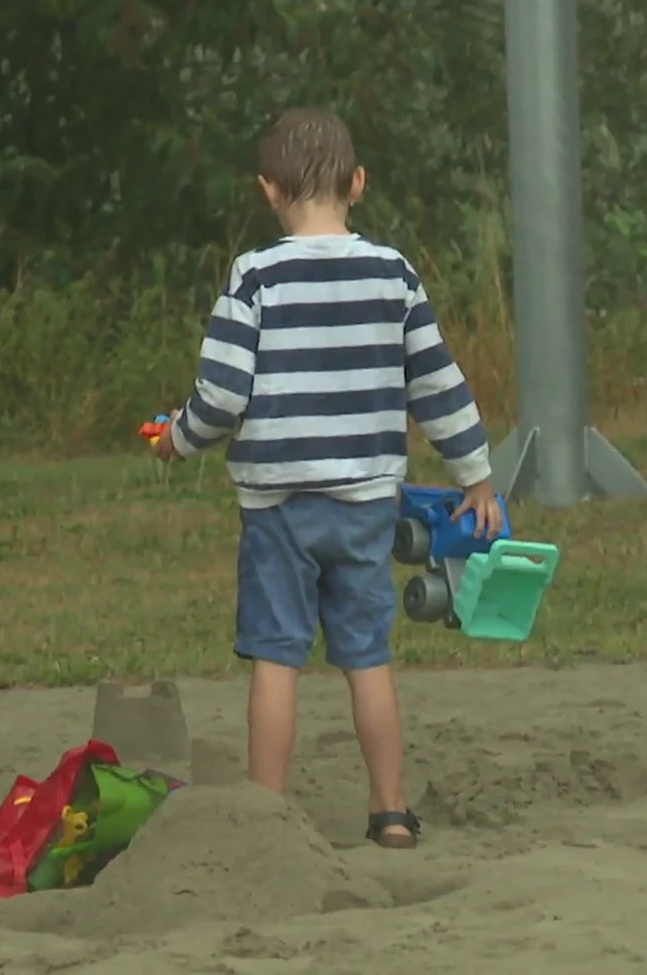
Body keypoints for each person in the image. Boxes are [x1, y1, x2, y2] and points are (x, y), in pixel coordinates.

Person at [153, 108, 502, 850]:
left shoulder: (255, 277)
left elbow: (220, 397)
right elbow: (438, 385)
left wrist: (179, 442)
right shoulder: (393, 274)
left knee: (277, 656)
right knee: (367, 655)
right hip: (368, 503)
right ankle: (391, 812)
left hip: (278, 506)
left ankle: (265, 817)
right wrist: (476, 475)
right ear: (358, 183)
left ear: (269, 189)